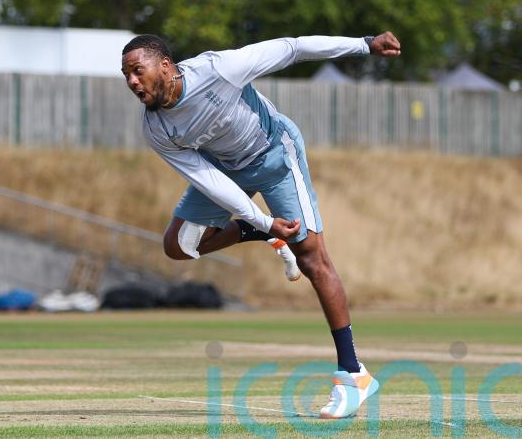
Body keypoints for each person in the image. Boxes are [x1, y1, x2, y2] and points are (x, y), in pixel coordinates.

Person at [121, 32, 400, 418]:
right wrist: (264, 222)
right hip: (225, 169)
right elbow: (209, 181)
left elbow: (294, 48)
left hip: (274, 156)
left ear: (165, 66)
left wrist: (365, 45)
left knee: (312, 258)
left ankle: (354, 375)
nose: (132, 81)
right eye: (126, 75)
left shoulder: (219, 69)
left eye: (138, 70)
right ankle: (261, 234)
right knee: (179, 245)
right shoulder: (156, 128)